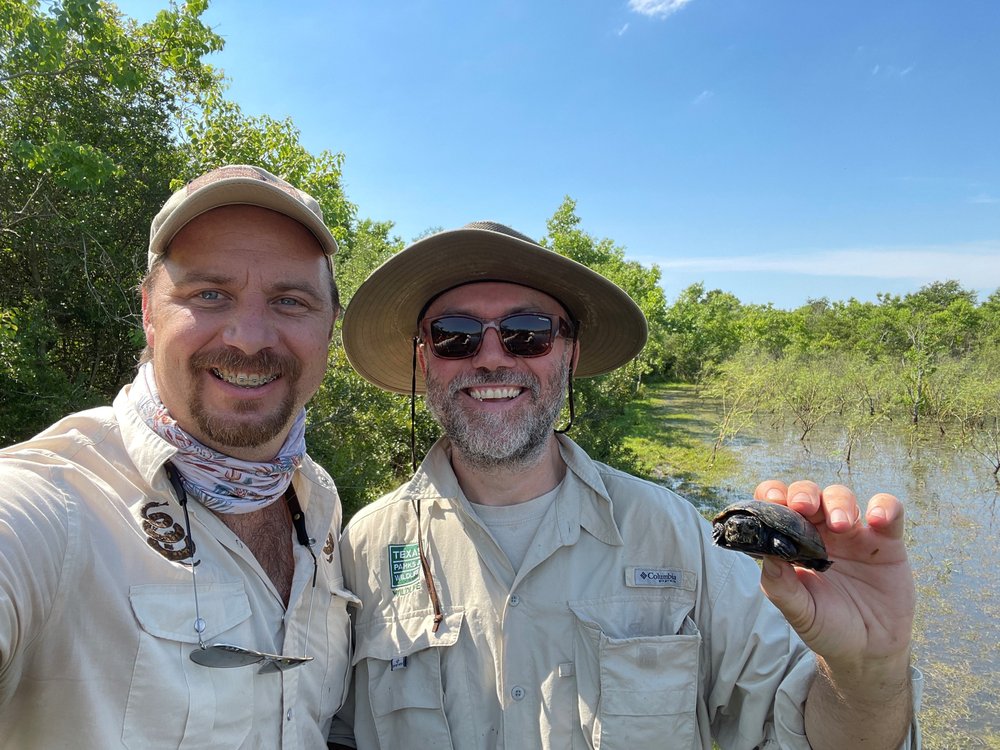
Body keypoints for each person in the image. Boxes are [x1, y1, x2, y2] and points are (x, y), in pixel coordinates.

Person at [329, 221, 922, 749]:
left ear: (569, 354)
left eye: (528, 332)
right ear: (425, 359)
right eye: (453, 333)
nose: (491, 357)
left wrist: (867, 674)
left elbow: (795, 731)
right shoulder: (362, 549)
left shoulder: (674, 533)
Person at [0, 165, 357, 749]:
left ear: (329, 327)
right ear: (148, 309)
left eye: (290, 301)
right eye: (209, 295)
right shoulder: (56, 503)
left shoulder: (320, 506)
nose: (248, 337)